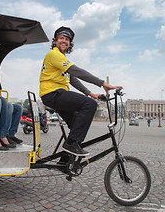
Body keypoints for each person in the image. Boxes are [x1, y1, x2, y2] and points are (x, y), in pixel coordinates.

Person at [39, 26, 122, 158]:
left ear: (70, 44)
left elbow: (73, 79)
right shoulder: (54, 54)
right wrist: (103, 83)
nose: (64, 41)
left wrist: (90, 94)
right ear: (55, 41)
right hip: (52, 94)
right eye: (61, 38)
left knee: (78, 122)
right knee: (90, 105)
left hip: (58, 95)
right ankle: (71, 144)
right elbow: (77, 72)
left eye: (67, 39)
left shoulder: (61, 58)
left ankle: (65, 159)